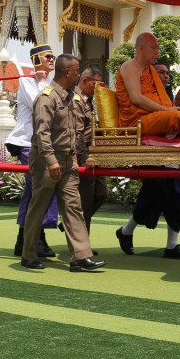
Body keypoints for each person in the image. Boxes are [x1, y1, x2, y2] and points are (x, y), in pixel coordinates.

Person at [21, 54, 105, 272]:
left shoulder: (69, 98)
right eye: (77, 71)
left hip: (67, 160)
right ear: (68, 72)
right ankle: (28, 254)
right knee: (39, 206)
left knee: (73, 207)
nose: (79, 75)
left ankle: (80, 256)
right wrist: (51, 161)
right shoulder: (47, 98)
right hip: (48, 160)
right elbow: (42, 133)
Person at [115, 63, 180, 259]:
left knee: (178, 195)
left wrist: (177, 108)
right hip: (153, 148)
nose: (165, 76)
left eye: (166, 73)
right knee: (154, 194)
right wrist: (171, 116)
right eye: (161, 73)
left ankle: (171, 245)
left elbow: (171, 116)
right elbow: (151, 116)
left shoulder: (166, 94)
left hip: (173, 150)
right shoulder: (142, 88)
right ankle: (126, 231)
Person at [5, 44, 58, 258]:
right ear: (37, 60)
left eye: (53, 57)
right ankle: (35, 237)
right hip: (28, 143)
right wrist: (42, 81)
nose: (52, 59)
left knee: (35, 191)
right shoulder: (26, 82)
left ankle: (27, 238)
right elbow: (40, 105)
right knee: (41, 187)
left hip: (45, 144)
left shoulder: (52, 84)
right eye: (48, 57)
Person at [116, 33, 180, 138]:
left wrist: (172, 107)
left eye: (158, 48)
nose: (157, 52)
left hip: (153, 115)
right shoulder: (130, 66)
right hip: (136, 121)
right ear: (141, 49)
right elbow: (136, 98)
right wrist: (167, 110)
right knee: (176, 117)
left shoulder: (150, 70)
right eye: (153, 48)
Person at [75, 66, 105, 243]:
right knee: (85, 201)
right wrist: (82, 159)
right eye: (95, 84)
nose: (98, 88)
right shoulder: (76, 100)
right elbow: (77, 133)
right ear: (85, 81)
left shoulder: (89, 100)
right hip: (84, 153)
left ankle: (71, 224)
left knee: (101, 193)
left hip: (95, 152)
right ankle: (82, 246)